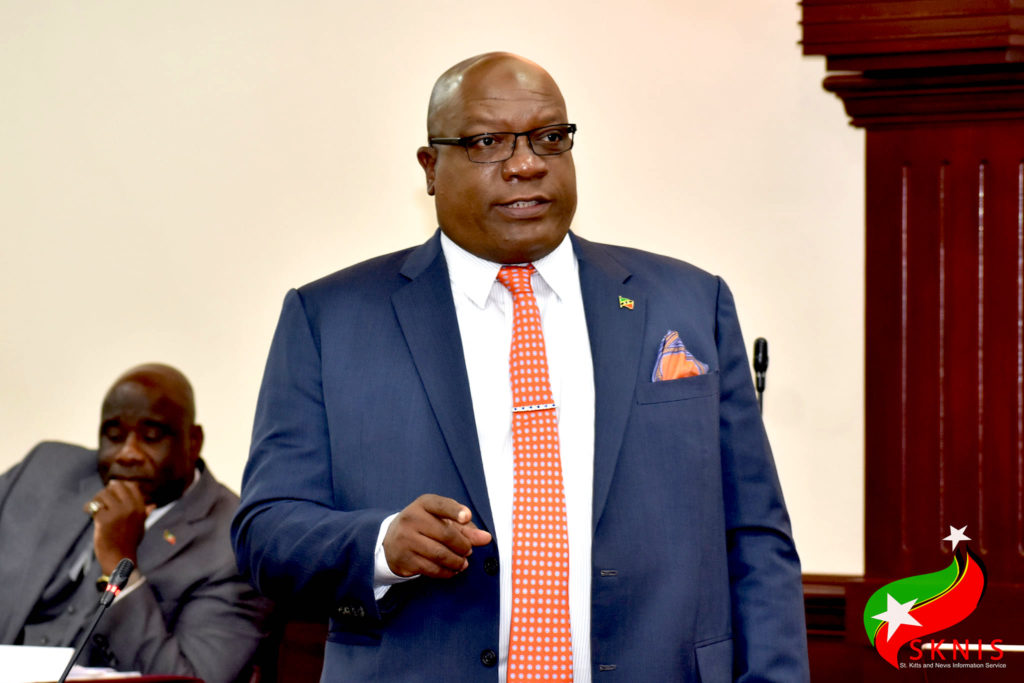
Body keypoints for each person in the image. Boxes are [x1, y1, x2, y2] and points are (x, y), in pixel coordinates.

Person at [232, 52, 809, 682]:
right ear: (430, 168)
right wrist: (382, 544)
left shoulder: (688, 302)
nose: (526, 164)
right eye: (487, 143)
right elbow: (267, 531)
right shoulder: (331, 319)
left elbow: (756, 536)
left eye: (549, 138)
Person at [0, 363, 272, 683]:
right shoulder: (44, 469)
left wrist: (120, 563)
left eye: (151, 437)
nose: (128, 454)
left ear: (193, 441)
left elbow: (193, 679)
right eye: (114, 436)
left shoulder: (236, 545)